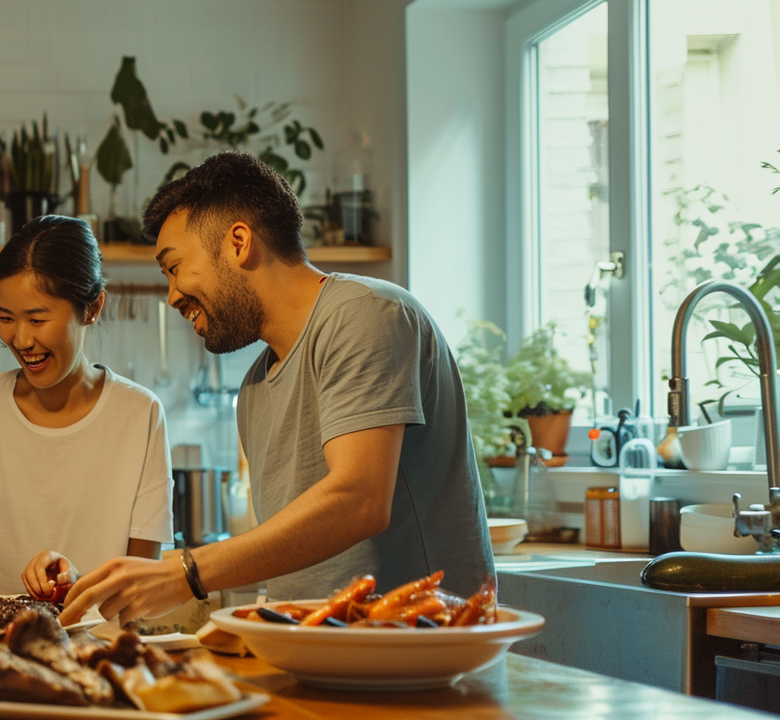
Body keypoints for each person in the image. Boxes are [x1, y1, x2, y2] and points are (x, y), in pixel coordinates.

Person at [61, 152, 493, 625]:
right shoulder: (254, 389)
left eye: (174, 267)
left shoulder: (367, 315)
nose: (171, 295)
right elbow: (292, 549)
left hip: (424, 655)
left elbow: (360, 499)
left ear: (239, 242)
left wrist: (188, 571)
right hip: (315, 652)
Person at [0, 216, 174, 596]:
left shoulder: (139, 413)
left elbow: (143, 571)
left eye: (38, 318)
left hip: (94, 647)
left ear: (92, 309)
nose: (22, 339)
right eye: (6, 318)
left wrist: (76, 584)